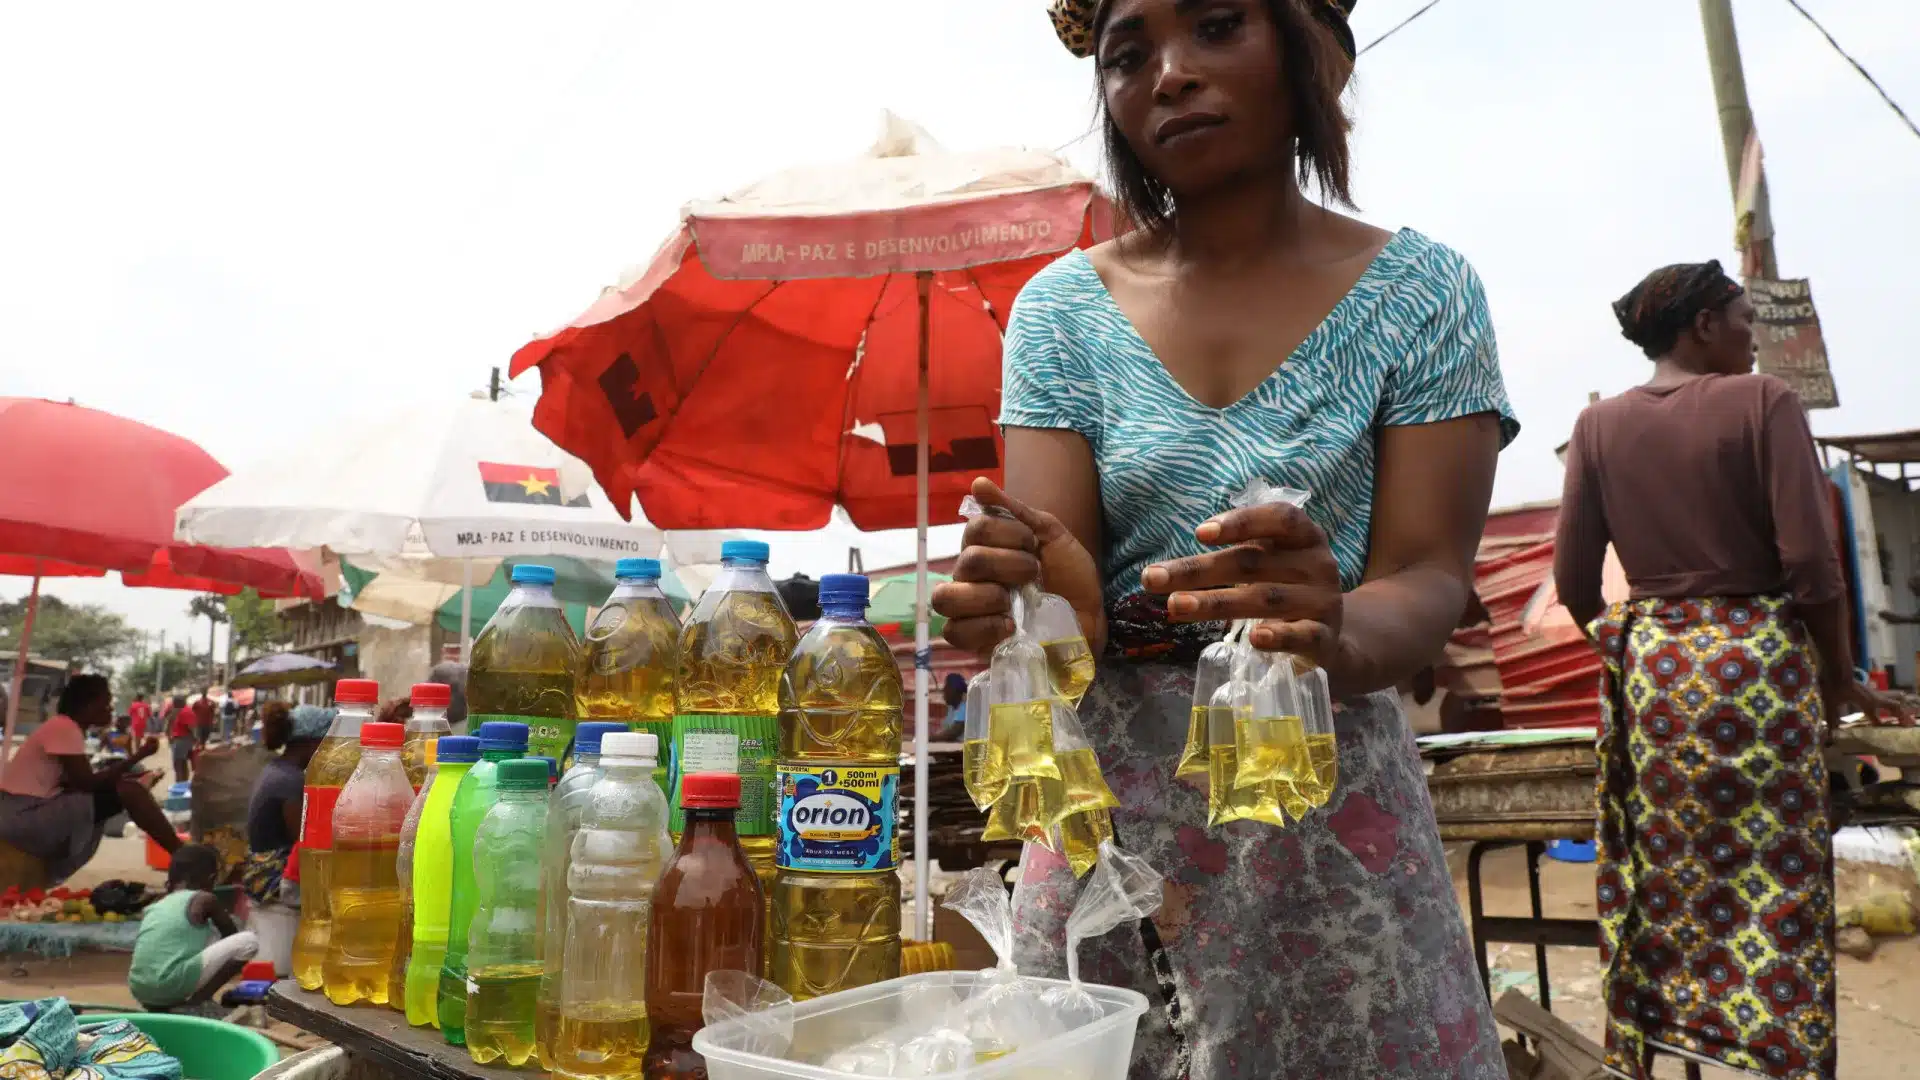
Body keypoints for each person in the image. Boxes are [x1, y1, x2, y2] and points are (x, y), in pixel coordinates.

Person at [931, 3, 1515, 1075]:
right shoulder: (1060, 312)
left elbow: (1427, 574)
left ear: (1303, 46)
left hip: (1327, 810)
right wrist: (1038, 606)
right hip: (1111, 830)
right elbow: (1063, 600)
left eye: (1214, 25)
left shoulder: (1425, 293)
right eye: (1127, 55)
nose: (1170, 75)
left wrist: (1331, 627)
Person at [1552, 261, 1909, 1080]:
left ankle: (1669, 1030)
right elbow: (1811, 565)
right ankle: (1783, 1050)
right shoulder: (1763, 402)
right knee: (1777, 874)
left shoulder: (1597, 426)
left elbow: (1575, 584)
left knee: (1666, 868)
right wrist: (1839, 675)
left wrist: (1636, 654)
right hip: (1757, 663)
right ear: (1704, 325)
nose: (1755, 338)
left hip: (1654, 671)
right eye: (1746, 320)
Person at [0, 675, 181, 883]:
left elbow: (76, 782)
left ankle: (180, 852)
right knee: (130, 791)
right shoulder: (64, 728)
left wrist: (132, 776)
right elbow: (87, 783)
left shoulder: (64, 727)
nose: (110, 709)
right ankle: (182, 854)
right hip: (23, 815)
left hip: (21, 812)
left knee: (129, 788)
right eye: (106, 704)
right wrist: (139, 756)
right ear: (88, 705)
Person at [128, 843, 259, 1012]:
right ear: (211, 878)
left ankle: (166, 1006)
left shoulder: (157, 905)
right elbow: (231, 935)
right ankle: (198, 1002)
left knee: (198, 937)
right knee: (248, 941)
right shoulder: (205, 899)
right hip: (169, 984)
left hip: (140, 989)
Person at [241, 702, 329, 904]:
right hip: (270, 876)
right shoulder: (291, 781)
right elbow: (304, 843)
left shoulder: (278, 769)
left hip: (262, 867)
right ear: (312, 743)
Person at [167, 694, 195, 782]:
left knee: (178, 765)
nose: (173, 704)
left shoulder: (184, 712)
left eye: (174, 702)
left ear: (179, 702)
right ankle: (183, 783)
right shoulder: (183, 710)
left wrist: (195, 738)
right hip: (184, 740)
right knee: (183, 763)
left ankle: (179, 784)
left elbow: (191, 727)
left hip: (181, 740)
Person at [938, 672, 969, 740]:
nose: (944, 690)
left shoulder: (964, 707)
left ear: (955, 690)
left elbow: (954, 732)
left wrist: (929, 738)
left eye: (947, 687)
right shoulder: (951, 709)